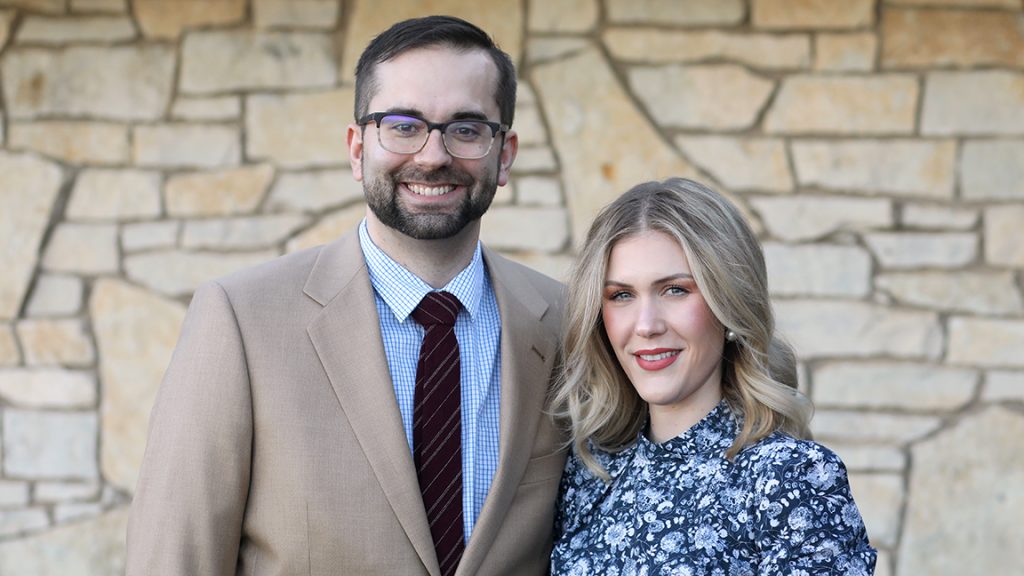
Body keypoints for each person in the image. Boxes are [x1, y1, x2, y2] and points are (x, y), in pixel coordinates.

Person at [127, 16, 566, 576]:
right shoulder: (240, 322)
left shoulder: (564, 324)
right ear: (357, 148)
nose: (432, 155)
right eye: (402, 125)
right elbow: (175, 559)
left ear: (504, 154)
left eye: (466, 127)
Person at [550, 179, 877, 574]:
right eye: (621, 295)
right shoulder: (591, 470)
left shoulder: (789, 477)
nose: (646, 325)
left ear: (728, 303)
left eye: (674, 290)